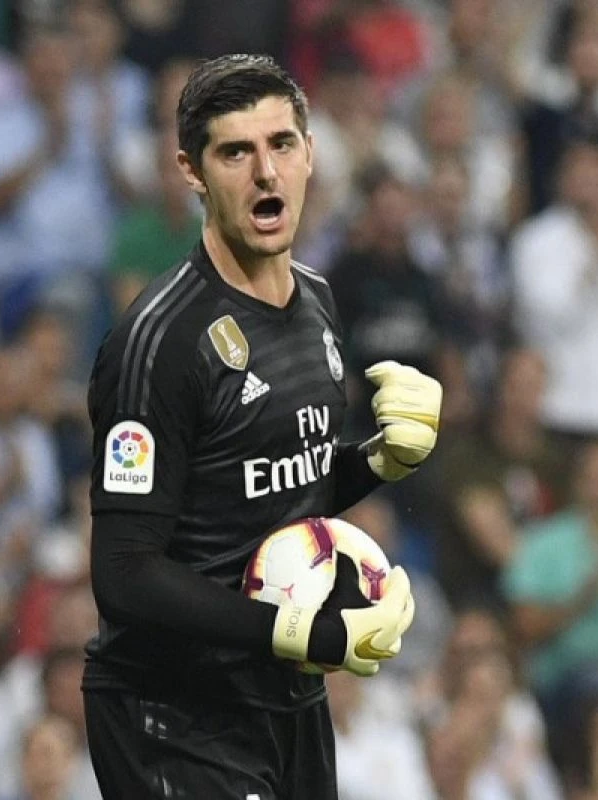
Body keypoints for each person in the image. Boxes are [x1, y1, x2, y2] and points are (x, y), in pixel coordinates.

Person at [83, 54, 438, 799]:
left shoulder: (316, 303)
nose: (265, 172)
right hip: (174, 712)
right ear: (192, 171)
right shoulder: (159, 343)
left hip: (288, 698)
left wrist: (379, 460)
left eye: (281, 144)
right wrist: (295, 631)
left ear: (311, 152)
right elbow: (124, 571)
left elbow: (276, 494)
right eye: (236, 153)